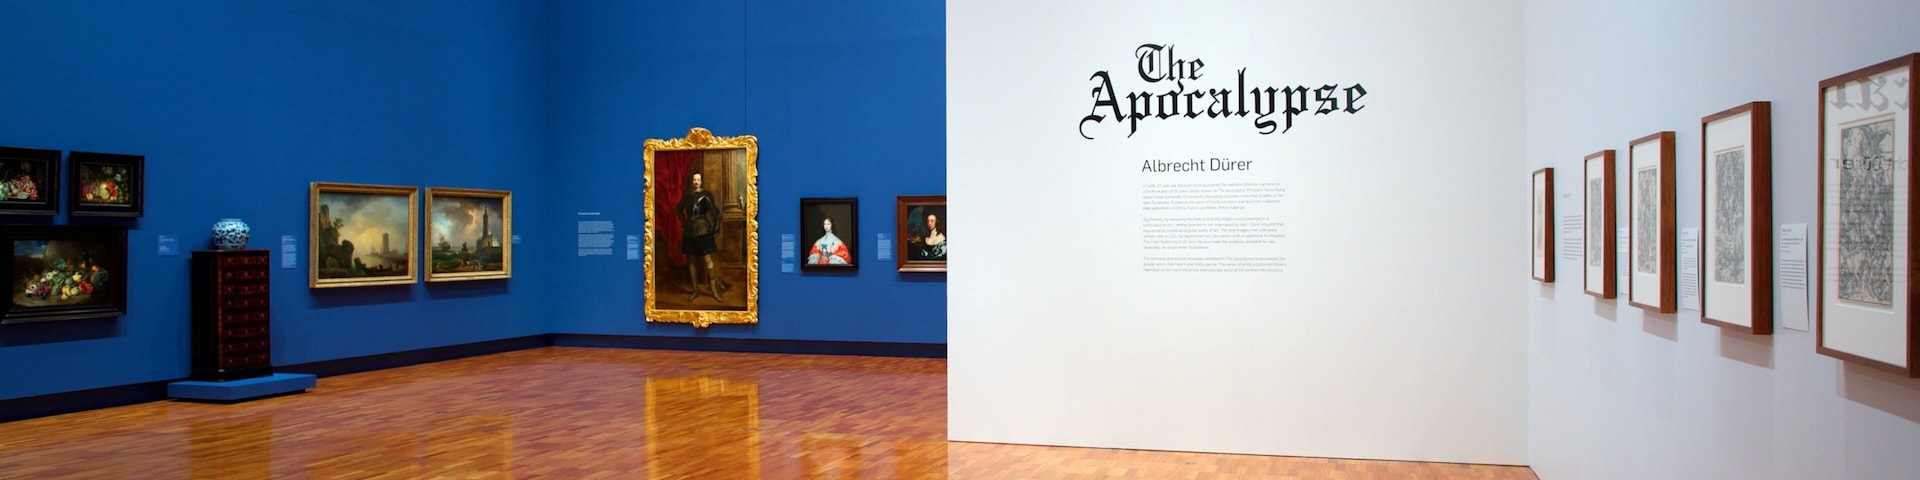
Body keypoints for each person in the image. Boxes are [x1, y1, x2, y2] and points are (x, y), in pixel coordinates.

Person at [676, 172, 729, 301]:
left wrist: (714, 226)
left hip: (703, 230)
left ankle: (715, 290)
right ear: (692, 181)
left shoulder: (706, 195)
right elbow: (678, 209)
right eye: (694, 179)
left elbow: (715, 211)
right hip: (690, 231)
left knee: (708, 260)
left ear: (701, 181)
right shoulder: (687, 195)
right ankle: (695, 290)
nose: (696, 182)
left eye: (698, 180)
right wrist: (684, 221)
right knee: (692, 260)